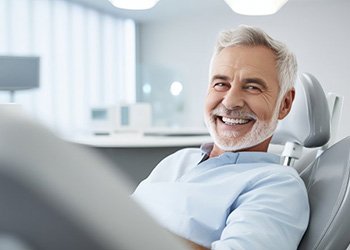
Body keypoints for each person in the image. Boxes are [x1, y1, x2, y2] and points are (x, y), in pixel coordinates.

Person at [132, 25, 309, 250]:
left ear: (284, 104)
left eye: (252, 87)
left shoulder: (277, 185)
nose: (230, 101)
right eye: (221, 84)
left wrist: (135, 233)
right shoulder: (179, 160)